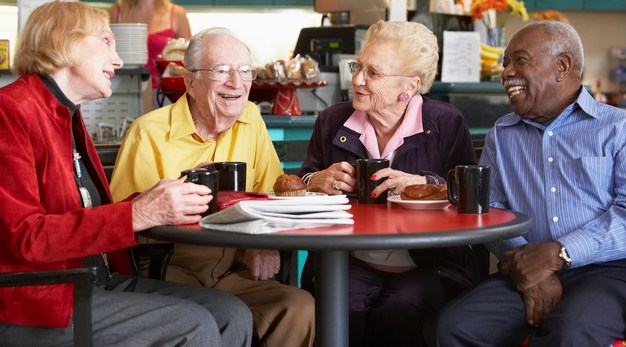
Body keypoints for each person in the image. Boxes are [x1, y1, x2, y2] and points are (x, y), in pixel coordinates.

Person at [0, 2, 251, 346]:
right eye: (106, 41)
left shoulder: (66, 115)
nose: (118, 60)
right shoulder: (10, 111)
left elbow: (83, 215)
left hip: (94, 280)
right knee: (191, 324)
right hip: (36, 300)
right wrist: (138, 212)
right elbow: (23, 237)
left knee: (232, 314)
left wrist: (158, 198)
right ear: (64, 42)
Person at [110, 27, 315, 347]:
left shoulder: (251, 118)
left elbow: (273, 195)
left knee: (298, 306)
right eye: (221, 71)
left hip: (236, 265)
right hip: (171, 265)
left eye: (245, 71)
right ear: (190, 81)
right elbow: (122, 223)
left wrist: (264, 241)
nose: (236, 82)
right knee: (225, 314)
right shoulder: (148, 131)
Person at [435, 20, 626, 346]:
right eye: (505, 63)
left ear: (561, 66)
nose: (506, 72)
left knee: (571, 335)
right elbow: (491, 209)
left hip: (608, 270)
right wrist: (528, 266)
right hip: (522, 266)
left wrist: (559, 254)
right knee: (453, 327)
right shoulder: (501, 134)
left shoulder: (617, 128)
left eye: (519, 60)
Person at [298, 20, 481, 347]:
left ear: (410, 86)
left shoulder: (444, 122)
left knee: (399, 309)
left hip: (431, 264)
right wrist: (315, 181)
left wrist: (422, 184)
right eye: (358, 66)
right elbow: (299, 185)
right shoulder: (331, 121)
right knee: (345, 309)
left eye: (373, 73)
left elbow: (468, 195)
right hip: (350, 259)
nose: (357, 79)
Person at [108, 0, 192, 90]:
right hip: (123, 90)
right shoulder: (115, 12)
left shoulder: (177, 14)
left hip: (164, 93)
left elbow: (189, 59)